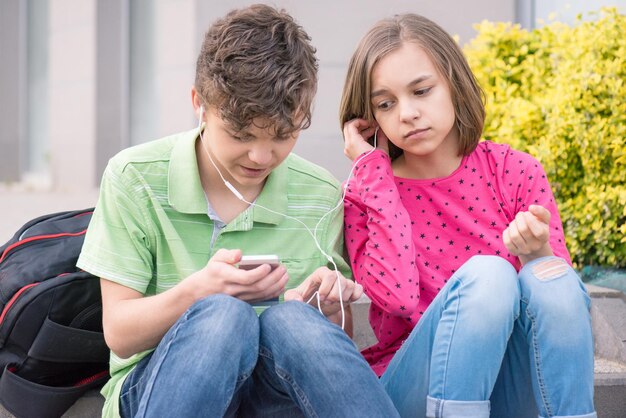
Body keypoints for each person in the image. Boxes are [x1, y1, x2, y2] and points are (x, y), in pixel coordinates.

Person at [77, 5, 399, 418]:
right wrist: (200, 291)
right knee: (224, 316)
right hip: (162, 384)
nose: (262, 156)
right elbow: (119, 333)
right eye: (240, 134)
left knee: (294, 323)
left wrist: (327, 308)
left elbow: (330, 354)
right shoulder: (134, 177)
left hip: (274, 393)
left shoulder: (319, 193)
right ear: (199, 104)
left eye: (284, 135)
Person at [339, 13, 596, 418]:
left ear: (454, 83)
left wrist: (538, 253)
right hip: (412, 386)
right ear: (370, 119)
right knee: (489, 274)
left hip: (508, 384)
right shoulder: (368, 193)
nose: (406, 113)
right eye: (386, 104)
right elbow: (400, 298)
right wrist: (374, 172)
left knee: (553, 280)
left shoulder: (516, 172)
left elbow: (559, 314)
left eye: (421, 91)